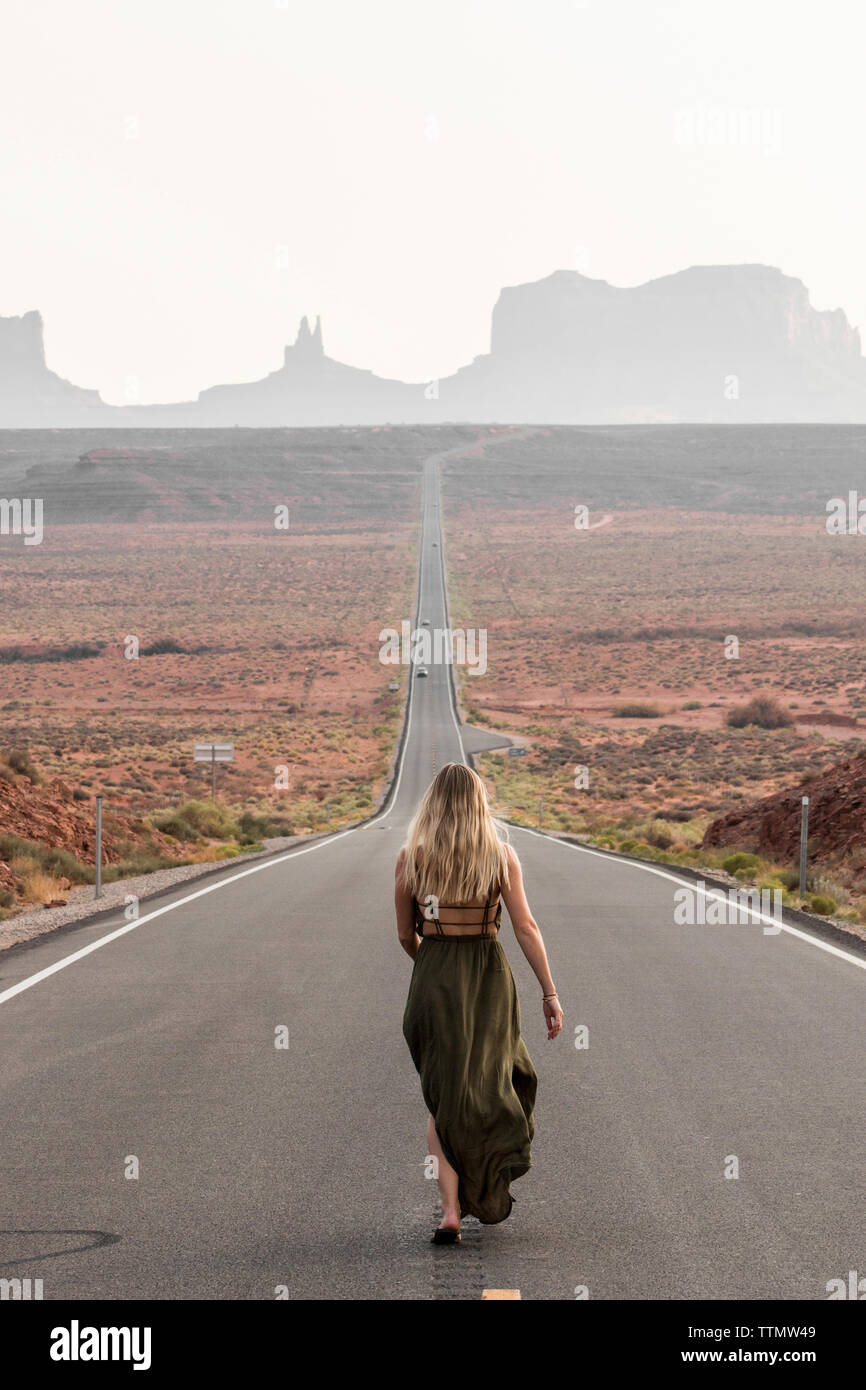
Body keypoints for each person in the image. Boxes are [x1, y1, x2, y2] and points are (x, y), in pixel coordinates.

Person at [395, 762, 563, 1243]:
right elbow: (525, 927)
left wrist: (432, 967)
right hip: (488, 976)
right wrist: (549, 992)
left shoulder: (412, 858)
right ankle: (489, 1175)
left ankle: (450, 1210)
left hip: (434, 977)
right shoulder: (500, 856)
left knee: (443, 1097)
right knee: (498, 1081)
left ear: (433, 803)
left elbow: (406, 934)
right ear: (478, 803)